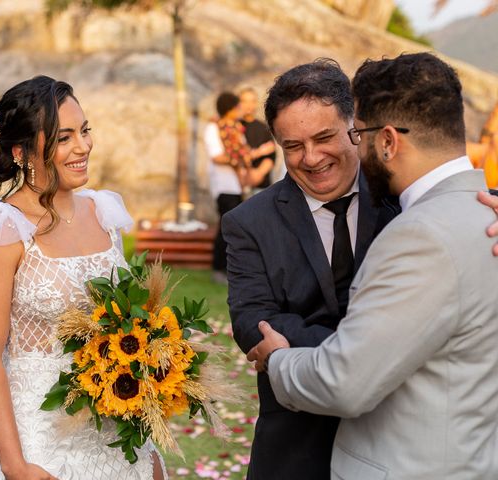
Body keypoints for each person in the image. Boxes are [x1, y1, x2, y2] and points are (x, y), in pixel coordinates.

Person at [222, 58, 498, 480]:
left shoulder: (408, 201)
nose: (311, 157)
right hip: (296, 446)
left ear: (358, 128)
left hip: (398, 443)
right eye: (292, 146)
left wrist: (359, 354)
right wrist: (370, 347)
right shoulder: (248, 222)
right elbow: (252, 322)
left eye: (325, 137)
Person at [0, 76, 166, 479]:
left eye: (84, 131)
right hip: (41, 439)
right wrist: (16, 466)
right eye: (63, 137)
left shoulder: (102, 213)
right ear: (21, 151)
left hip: (116, 426)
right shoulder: (0, 232)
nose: (83, 147)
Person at [205, 91, 250, 284]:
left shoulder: (235, 128)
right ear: (231, 109)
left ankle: (233, 269)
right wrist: (239, 160)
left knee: (236, 228)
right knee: (225, 228)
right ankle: (218, 268)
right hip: (224, 185)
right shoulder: (213, 128)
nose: (241, 110)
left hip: (237, 186)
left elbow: (244, 151)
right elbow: (216, 156)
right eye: (238, 106)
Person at [238, 87, 276, 195]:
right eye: (244, 101)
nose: (248, 105)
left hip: (261, 186)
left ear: (256, 103)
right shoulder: (234, 127)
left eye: (252, 101)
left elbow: (271, 156)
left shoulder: (263, 128)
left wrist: (258, 174)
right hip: (239, 185)